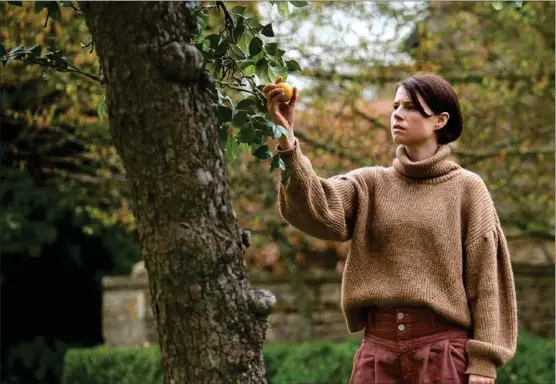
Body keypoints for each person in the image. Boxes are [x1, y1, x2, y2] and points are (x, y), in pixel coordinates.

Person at [263, 74, 517, 384]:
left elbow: (488, 280)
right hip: (377, 355)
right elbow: (314, 207)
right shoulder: (369, 184)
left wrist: (484, 363)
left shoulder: (468, 189)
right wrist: (287, 139)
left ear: (440, 119)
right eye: (395, 105)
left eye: (410, 107)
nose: (397, 113)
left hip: (444, 356)